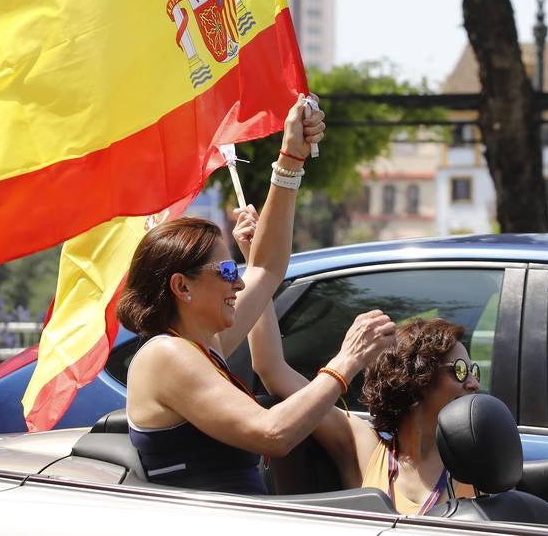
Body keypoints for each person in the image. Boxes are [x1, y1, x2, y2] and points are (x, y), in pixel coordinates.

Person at [118, 96, 395, 495]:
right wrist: (346, 362)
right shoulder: (166, 355)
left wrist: (290, 162)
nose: (239, 283)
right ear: (182, 286)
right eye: (228, 271)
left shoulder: (202, 345)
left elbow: (266, 269)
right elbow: (273, 433)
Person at [246, 288, 480, 513]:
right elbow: (270, 367)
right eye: (460, 370)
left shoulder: (481, 462)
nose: (474, 383)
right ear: (418, 377)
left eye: (474, 371)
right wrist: (263, 269)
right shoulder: (363, 447)